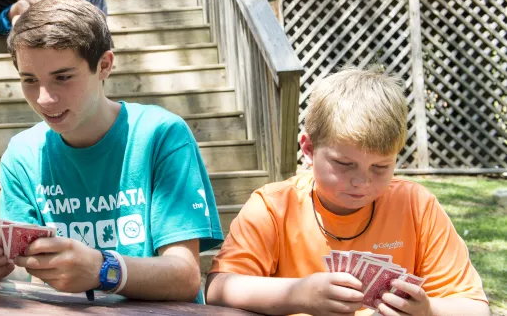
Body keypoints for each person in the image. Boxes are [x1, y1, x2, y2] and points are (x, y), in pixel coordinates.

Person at [0, 0, 223, 303]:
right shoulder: (22, 155)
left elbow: (185, 276)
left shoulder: (161, 135)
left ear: (104, 65)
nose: (44, 98)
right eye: (29, 80)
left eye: (63, 77)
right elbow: (25, 269)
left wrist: (104, 270)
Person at [205, 68, 490, 316]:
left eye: (381, 167)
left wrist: (428, 311)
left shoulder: (416, 206)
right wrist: (297, 295)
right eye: (344, 164)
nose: (361, 182)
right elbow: (218, 288)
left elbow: (475, 308)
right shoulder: (273, 207)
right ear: (308, 149)